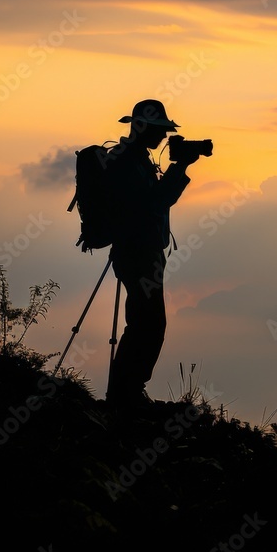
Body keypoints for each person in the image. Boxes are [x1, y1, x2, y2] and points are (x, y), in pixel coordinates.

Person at [104, 99, 204, 413]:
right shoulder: (127, 162)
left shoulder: (134, 160)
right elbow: (154, 205)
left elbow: (152, 202)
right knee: (148, 324)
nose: (163, 137)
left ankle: (127, 391)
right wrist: (180, 168)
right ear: (142, 128)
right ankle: (125, 394)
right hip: (138, 253)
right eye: (159, 130)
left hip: (141, 252)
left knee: (144, 323)